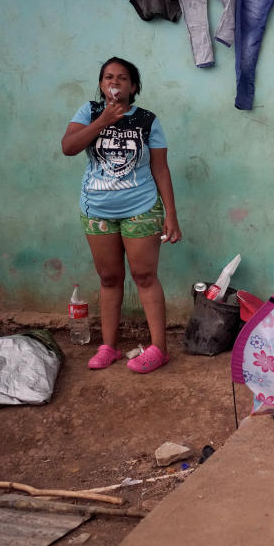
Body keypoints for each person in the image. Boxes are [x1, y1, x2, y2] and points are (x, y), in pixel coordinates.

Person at [61, 57, 181, 374]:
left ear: (133, 86)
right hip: (97, 210)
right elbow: (69, 148)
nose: (115, 82)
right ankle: (109, 347)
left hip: (140, 208)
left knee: (144, 277)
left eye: (123, 78)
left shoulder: (147, 120)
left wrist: (171, 214)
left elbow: (160, 168)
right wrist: (102, 121)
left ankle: (159, 349)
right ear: (101, 85)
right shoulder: (88, 112)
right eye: (109, 77)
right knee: (110, 278)